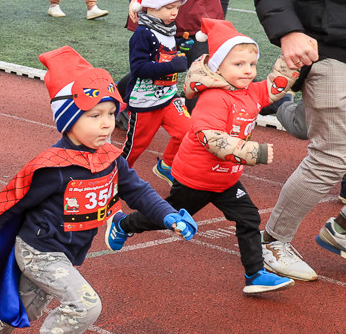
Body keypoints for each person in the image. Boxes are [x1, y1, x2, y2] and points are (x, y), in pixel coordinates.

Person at [0, 46, 192, 334]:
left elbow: (139, 191)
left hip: (68, 251)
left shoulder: (110, 158)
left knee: (22, 312)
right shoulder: (53, 167)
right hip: (39, 251)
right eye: (94, 116)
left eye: (111, 113)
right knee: (86, 305)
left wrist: (167, 214)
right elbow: (13, 200)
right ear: (68, 120)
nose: (107, 123)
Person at [108, 18, 297, 295]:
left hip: (226, 180)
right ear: (217, 65)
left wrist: (293, 59)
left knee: (249, 219)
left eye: (252, 64)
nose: (248, 71)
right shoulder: (213, 99)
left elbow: (274, 86)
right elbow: (211, 138)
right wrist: (253, 152)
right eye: (239, 64)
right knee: (163, 217)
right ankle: (123, 224)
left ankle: (255, 274)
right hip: (195, 179)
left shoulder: (250, 92)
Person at [253, 0, 346, 281]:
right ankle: (271, 243)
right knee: (331, 156)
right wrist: (289, 32)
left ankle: (342, 230)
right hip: (330, 52)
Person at [121, 0, 191, 179]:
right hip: (145, 102)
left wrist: (179, 46)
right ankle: (113, 179)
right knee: (134, 149)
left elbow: (164, 51)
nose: (174, 13)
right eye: (169, 7)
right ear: (152, 6)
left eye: (177, 8)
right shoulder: (143, 33)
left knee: (188, 132)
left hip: (168, 97)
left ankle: (167, 166)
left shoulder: (168, 28)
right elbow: (139, 68)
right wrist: (172, 66)